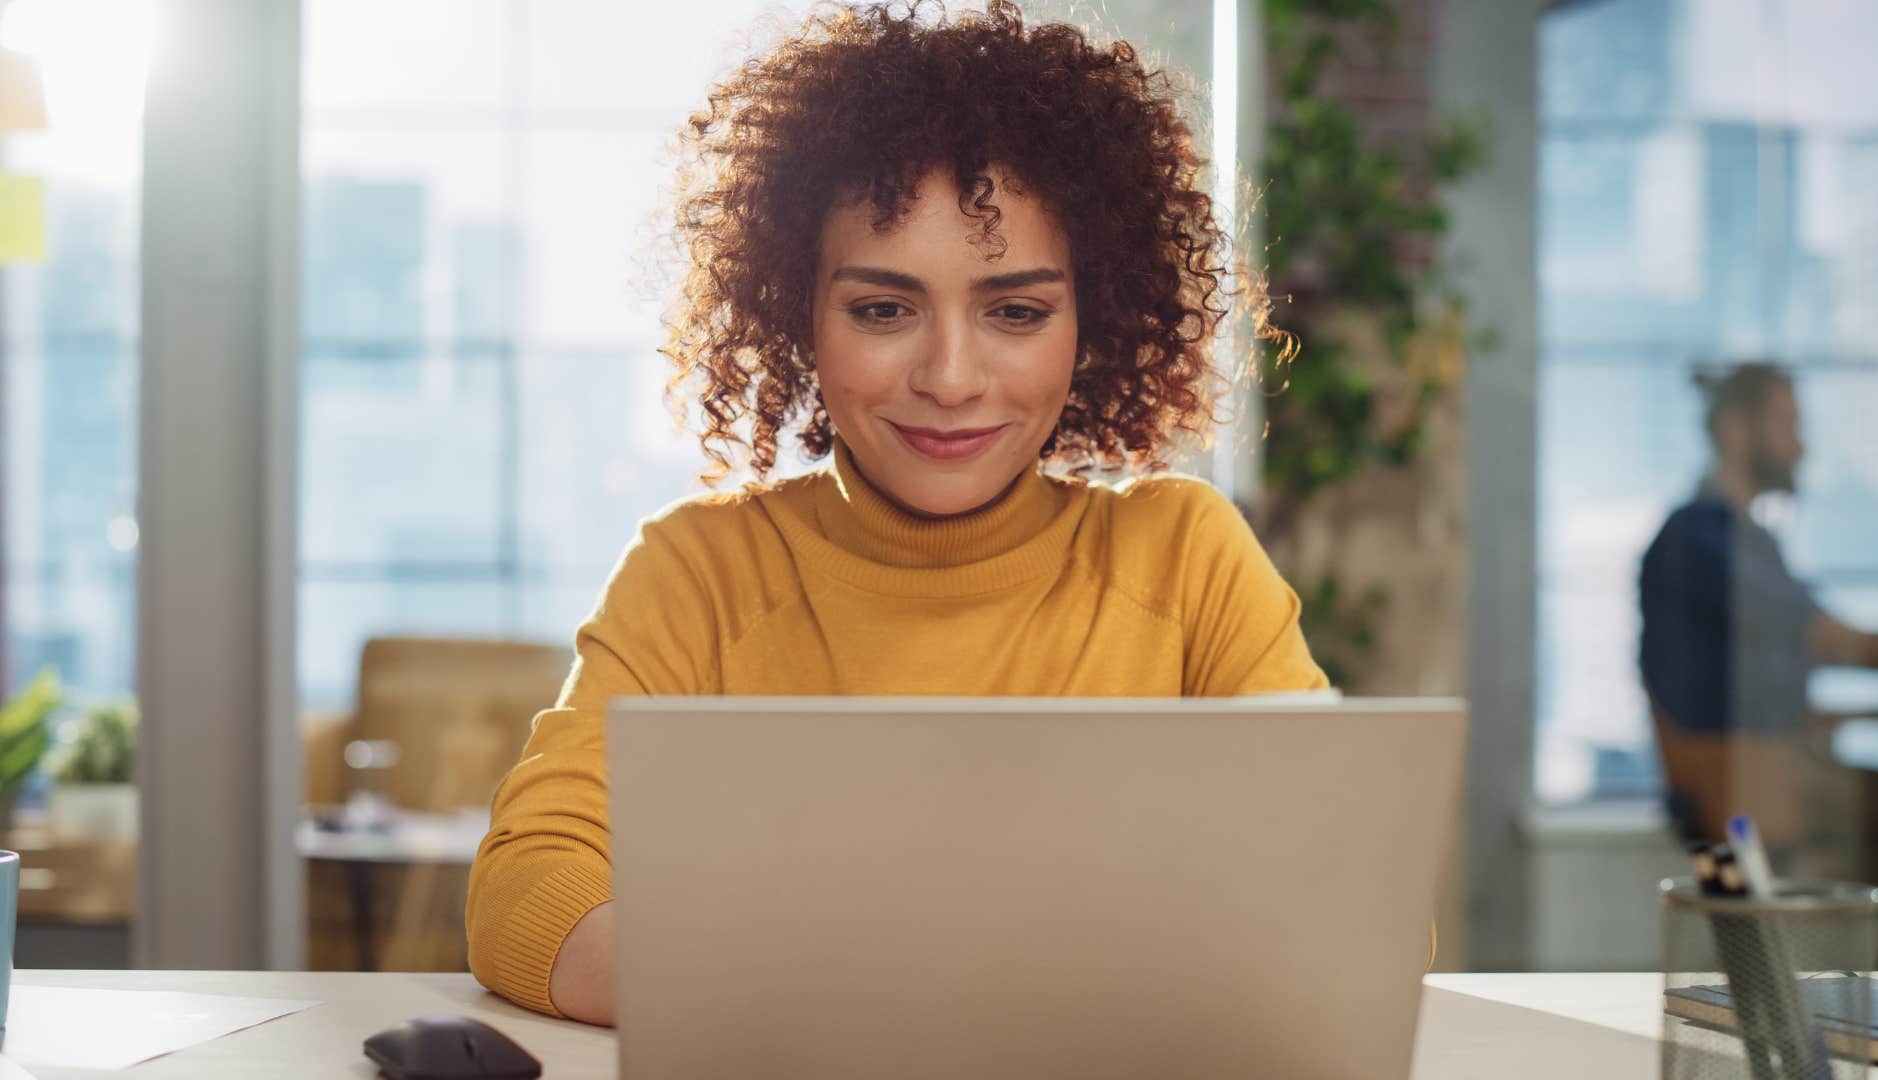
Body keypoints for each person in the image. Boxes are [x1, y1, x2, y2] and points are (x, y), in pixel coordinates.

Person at [465, 1, 1328, 1025]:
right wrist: (865, 997)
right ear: (799, 315)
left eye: (1017, 311)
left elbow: (1343, 906)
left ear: (1092, 320)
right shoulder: (699, 572)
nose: (952, 378)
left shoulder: (1185, 560)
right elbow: (527, 891)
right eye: (883, 309)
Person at [1638, 363, 1878, 838]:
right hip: (1744, 783)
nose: (1801, 447)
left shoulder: (1750, 540)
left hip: (1773, 768)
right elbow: (1815, 634)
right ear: (1736, 429)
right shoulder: (1699, 537)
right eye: (1787, 425)